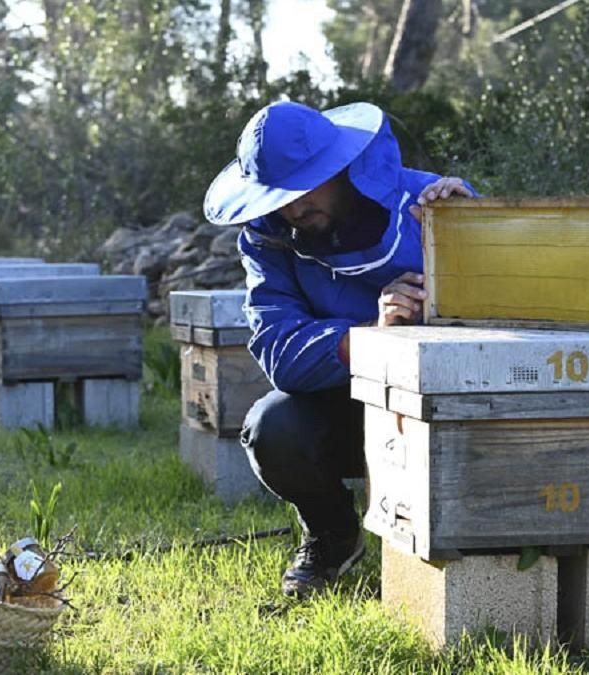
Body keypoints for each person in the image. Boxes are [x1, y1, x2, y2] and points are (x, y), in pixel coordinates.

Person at [202, 100, 475, 598]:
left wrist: (469, 225)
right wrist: (374, 329)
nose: (292, 208)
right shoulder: (267, 238)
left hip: (446, 404)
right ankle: (331, 536)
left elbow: (505, 301)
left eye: (303, 188)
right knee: (273, 428)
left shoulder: (427, 198)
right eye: (277, 195)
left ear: (341, 167)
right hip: (345, 406)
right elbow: (280, 352)